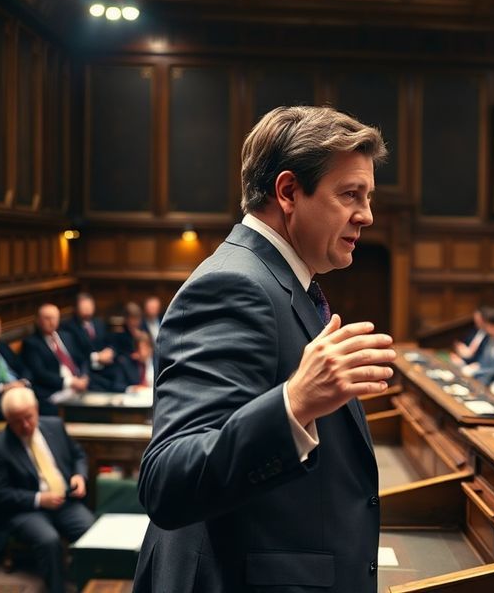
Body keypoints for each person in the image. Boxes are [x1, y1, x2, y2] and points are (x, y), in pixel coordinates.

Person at [133, 106, 392, 592]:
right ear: (289, 191)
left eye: (368, 196)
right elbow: (169, 480)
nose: (367, 215)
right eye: (350, 194)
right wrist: (294, 404)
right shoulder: (235, 284)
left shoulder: (283, 280)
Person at [0, 387, 94, 593]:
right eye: (17, 421)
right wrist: (38, 499)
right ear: (7, 420)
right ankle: (56, 589)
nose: (26, 425)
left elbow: (78, 456)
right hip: (26, 510)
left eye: (28, 417)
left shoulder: (54, 426)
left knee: (91, 532)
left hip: (65, 501)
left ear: (36, 409)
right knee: (49, 540)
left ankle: (88, 583)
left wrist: (79, 476)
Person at [20, 304, 89, 414]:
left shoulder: (67, 336)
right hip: (56, 391)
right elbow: (40, 373)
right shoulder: (31, 343)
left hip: (80, 385)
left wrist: (85, 377)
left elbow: (82, 359)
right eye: (47, 318)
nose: (52, 322)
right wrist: (70, 382)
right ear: (38, 320)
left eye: (55, 318)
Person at [61, 293, 115, 390]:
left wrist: (110, 351)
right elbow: (73, 353)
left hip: (105, 366)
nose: (87, 309)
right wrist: (96, 357)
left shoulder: (99, 323)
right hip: (85, 369)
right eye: (83, 306)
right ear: (76, 308)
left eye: (89, 306)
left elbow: (109, 341)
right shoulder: (68, 327)